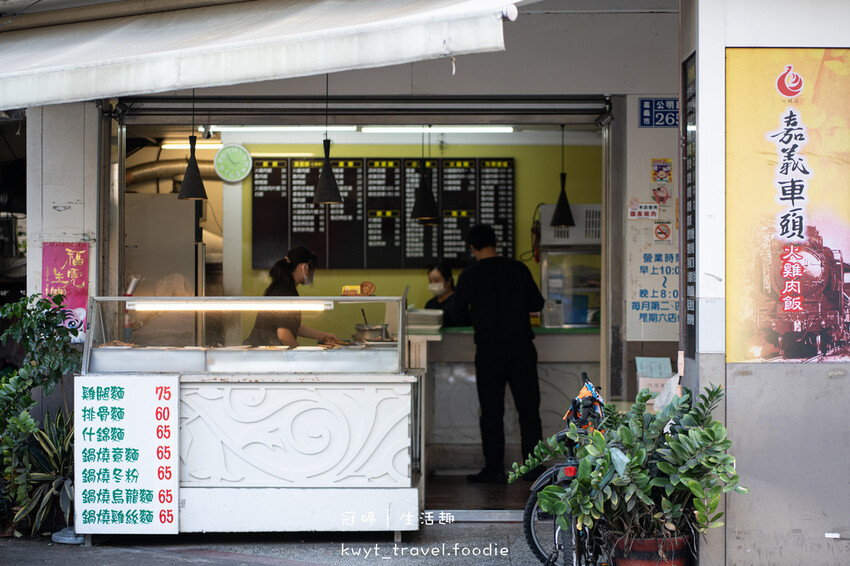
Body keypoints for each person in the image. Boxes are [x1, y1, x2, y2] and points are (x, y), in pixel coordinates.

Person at [452, 224, 545, 484]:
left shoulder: (469, 275)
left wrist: (479, 316)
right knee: (529, 409)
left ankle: (494, 469)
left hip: (489, 350)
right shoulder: (518, 268)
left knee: (492, 411)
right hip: (521, 348)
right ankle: (533, 468)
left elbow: (457, 314)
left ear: (472, 248)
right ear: (496, 243)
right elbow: (537, 303)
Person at [244, 246, 341, 347]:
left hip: (259, 351)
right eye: (311, 269)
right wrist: (298, 353)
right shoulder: (287, 293)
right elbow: (284, 335)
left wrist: (322, 335)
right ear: (304, 267)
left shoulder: (280, 287)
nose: (312, 274)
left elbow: (289, 325)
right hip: (266, 353)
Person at [424, 262, 466, 327]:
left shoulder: (458, 302)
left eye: (436, 280)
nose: (433, 284)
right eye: (430, 281)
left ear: (448, 281)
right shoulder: (430, 304)